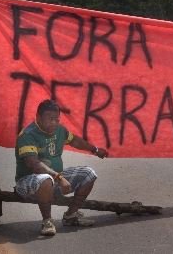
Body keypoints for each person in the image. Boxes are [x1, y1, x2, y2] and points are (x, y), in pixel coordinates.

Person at [14, 99, 108, 236]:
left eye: (56, 119)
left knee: (89, 173)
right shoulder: (27, 135)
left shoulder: (59, 130)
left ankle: (71, 215)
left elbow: (75, 140)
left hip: (56, 180)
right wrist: (59, 177)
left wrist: (95, 149)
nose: (54, 123)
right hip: (28, 184)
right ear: (38, 117)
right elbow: (33, 164)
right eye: (50, 119)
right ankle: (47, 221)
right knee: (45, 179)